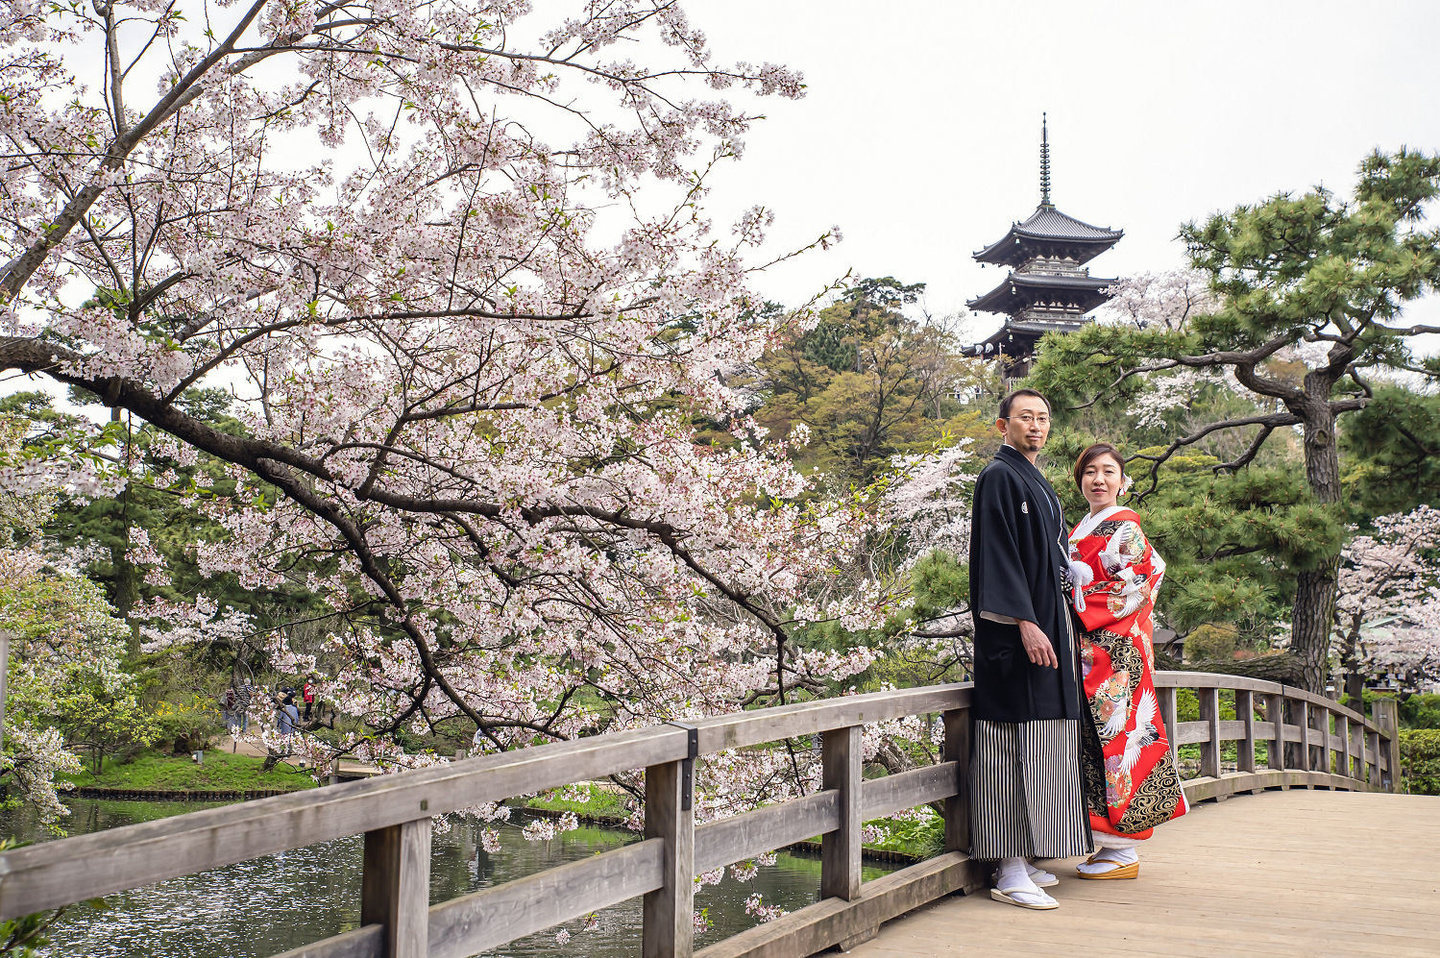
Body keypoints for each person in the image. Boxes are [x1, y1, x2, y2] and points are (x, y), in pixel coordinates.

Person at [968, 389, 1092, 910]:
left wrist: (1069, 574)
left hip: (1048, 628)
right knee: (1011, 742)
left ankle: (1029, 855)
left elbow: (1049, 554)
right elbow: (996, 555)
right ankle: (1007, 865)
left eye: (1043, 418)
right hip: (1016, 640)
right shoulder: (999, 476)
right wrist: (1024, 620)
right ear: (1004, 426)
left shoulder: (1036, 480)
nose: (1035, 426)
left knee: (1044, 741)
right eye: (1025, 418)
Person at [1066, 443, 1187, 879]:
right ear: (1079, 480)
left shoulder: (1125, 528)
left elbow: (1137, 584)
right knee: (1096, 744)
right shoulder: (1083, 526)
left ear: (1122, 480)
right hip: (1092, 649)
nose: (1098, 480)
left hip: (1114, 652)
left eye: (1108, 472)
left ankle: (1124, 849)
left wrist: (1076, 597)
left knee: (1120, 744)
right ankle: (1107, 844)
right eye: (1090, 472)